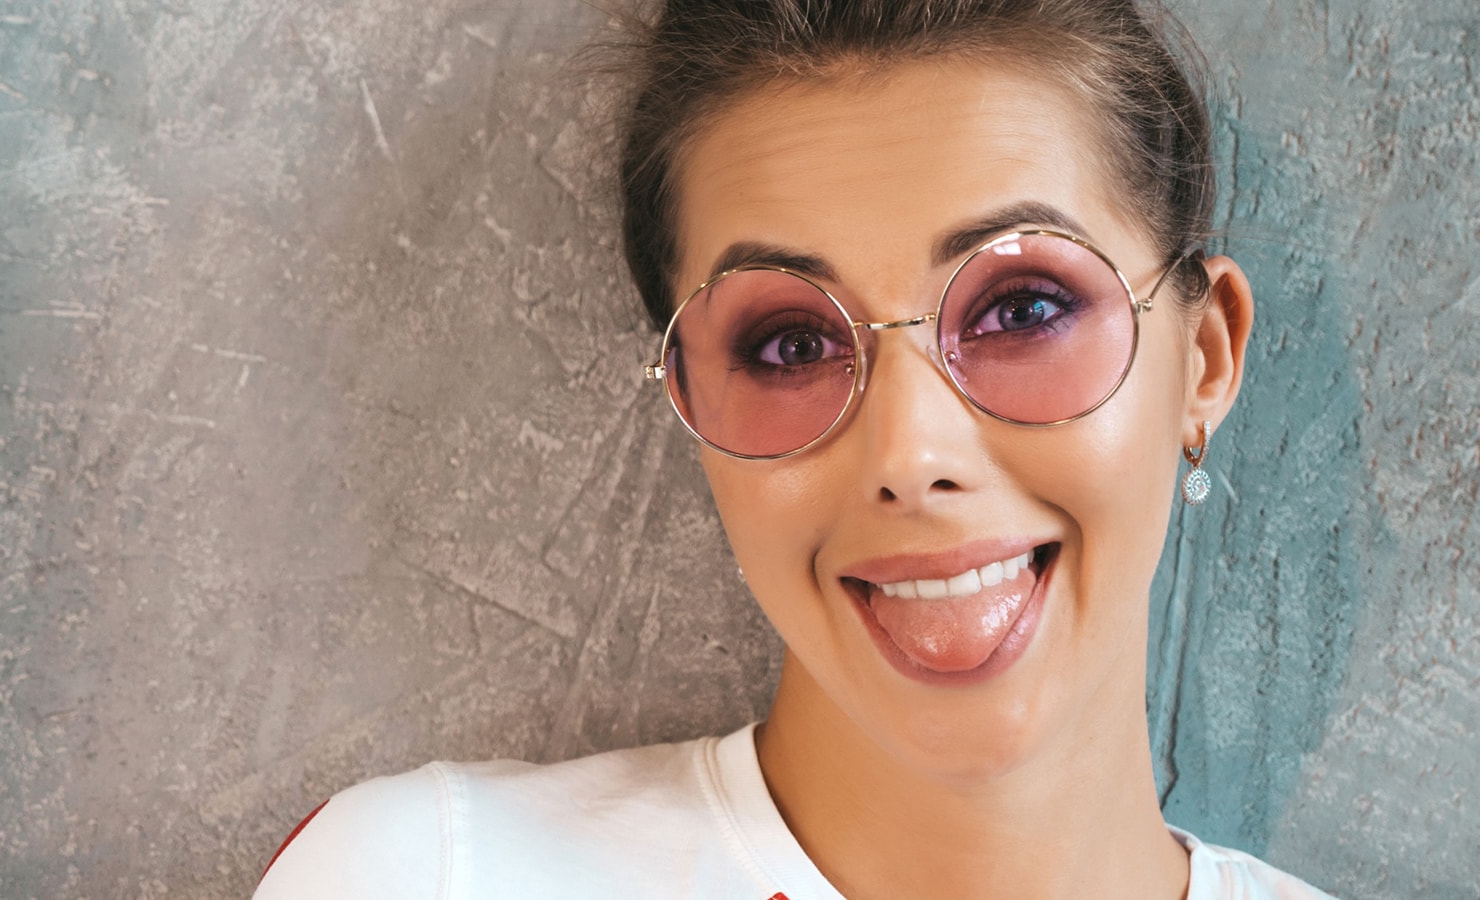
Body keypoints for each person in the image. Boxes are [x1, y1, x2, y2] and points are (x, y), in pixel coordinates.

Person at [253, 1, 1337, 897]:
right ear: (689, 400)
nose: (910, 454)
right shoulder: (430, 876)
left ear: (1203, 356)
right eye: (791, 343)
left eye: (1020, 309)